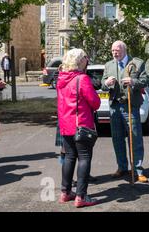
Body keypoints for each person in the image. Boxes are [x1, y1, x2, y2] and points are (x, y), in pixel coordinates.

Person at [57, 48, 101, 207]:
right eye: (85, 58)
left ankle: (65, 192)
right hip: (81, 124)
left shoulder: (61, 78)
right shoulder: (82, 79)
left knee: (69, 157)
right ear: (79, 61)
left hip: (66, 125)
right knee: (84, 158)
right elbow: (95, 103)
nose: (87, 60)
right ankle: (81, 196)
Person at [101, 41, 149, 183]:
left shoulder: (137, 64)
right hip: (115, 107)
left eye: (117, 50)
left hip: (131, 106)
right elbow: (102, 85)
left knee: (135, 138)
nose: (115, 53)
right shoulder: (109, 65)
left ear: (124, 50)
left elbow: (145, 80)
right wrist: (106, 83)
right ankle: (122, 167)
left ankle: (138, 170)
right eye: (112, 51)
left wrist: (133, 82)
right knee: (117, 139)